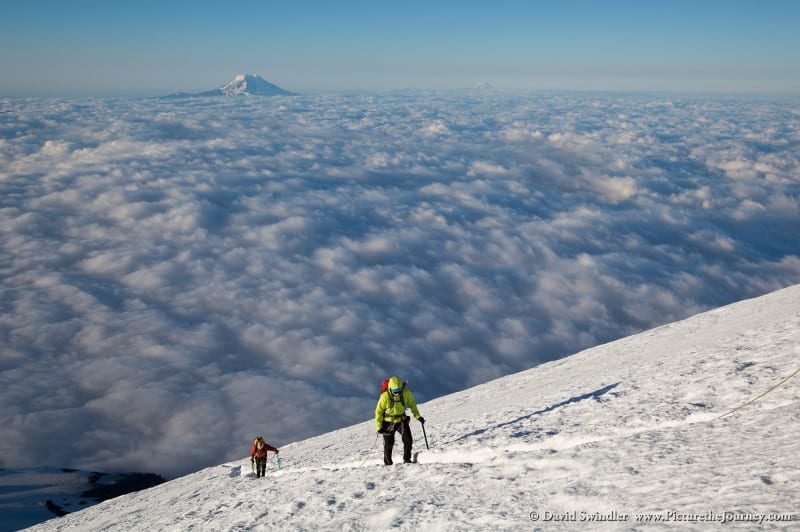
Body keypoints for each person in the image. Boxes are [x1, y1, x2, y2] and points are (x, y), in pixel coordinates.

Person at [374, 376, 425, 465]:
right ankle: (388, 463)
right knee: (389, 443)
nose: (397, 393)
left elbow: (412, 404)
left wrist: (418, 416)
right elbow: (378, 411)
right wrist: (379, 427)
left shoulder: (405, 393)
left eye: (399, 391)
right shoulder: (384, 396)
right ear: (390, 389)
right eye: (395, 392)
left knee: (408, 439)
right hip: (388, 422)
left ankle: (407, 459)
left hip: (402, 420)